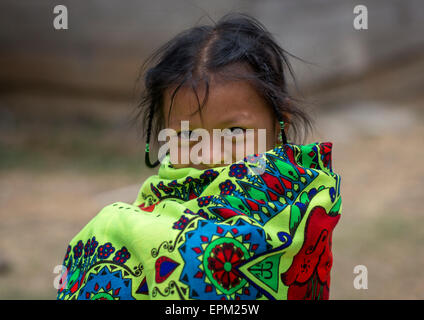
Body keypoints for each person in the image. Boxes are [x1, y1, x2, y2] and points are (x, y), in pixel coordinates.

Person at [57, 13, 341, 300]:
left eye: (234, 131)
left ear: (281, 124)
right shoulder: (150, 208)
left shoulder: (300, 203)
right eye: (186, 134)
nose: (210, 155)